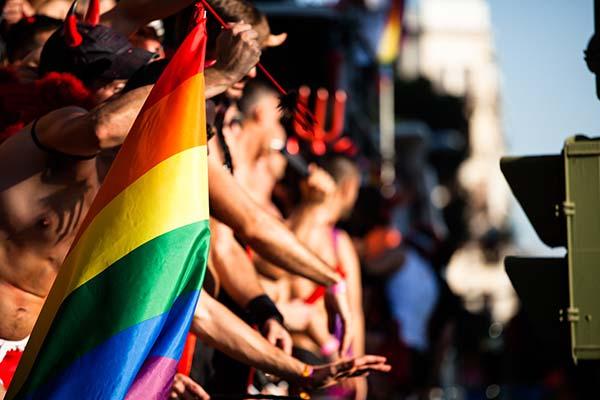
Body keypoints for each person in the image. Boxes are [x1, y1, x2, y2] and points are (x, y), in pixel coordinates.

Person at [288, 156, 366, 399]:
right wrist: (357, 369)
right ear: (348, 188)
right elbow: (354, 311)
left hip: (286, 351)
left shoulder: (289, 228)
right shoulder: (338, 243)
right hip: (322, 357)